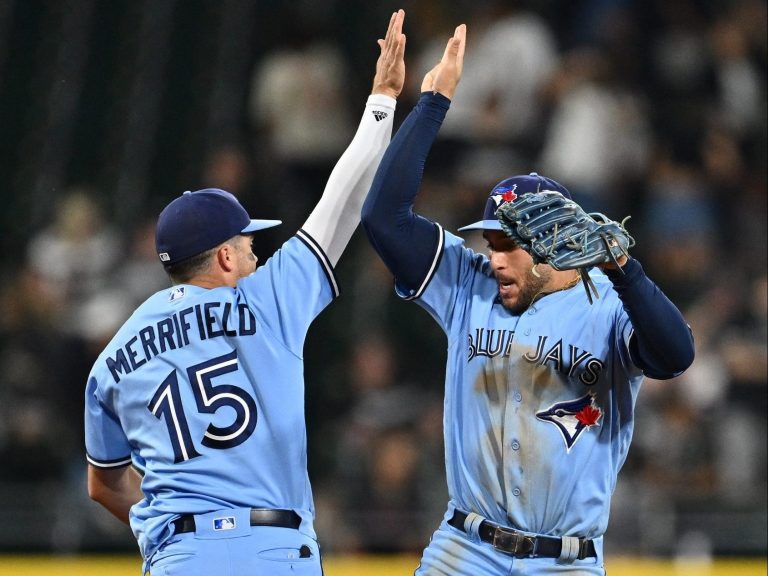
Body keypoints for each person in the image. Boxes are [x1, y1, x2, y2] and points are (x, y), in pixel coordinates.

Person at [361, 24, 695, 575]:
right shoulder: (468, 284)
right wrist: (433, 103)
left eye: (508, 245)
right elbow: (384, 220)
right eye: (490, 242)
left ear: (552, 246)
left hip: (565, 560)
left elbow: (676, 355)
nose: (493, 258)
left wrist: (624, 270)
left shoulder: (610, 306)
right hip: (465, 548)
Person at [84, 10, 406, 575]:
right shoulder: (264, 301)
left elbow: (103, 485)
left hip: (179, 556)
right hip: (271, 548)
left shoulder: (112, 359)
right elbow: (341, 202)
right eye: (249, 244)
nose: (257, 255)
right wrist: (381, 101)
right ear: (226, 256)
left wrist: (174, 535)